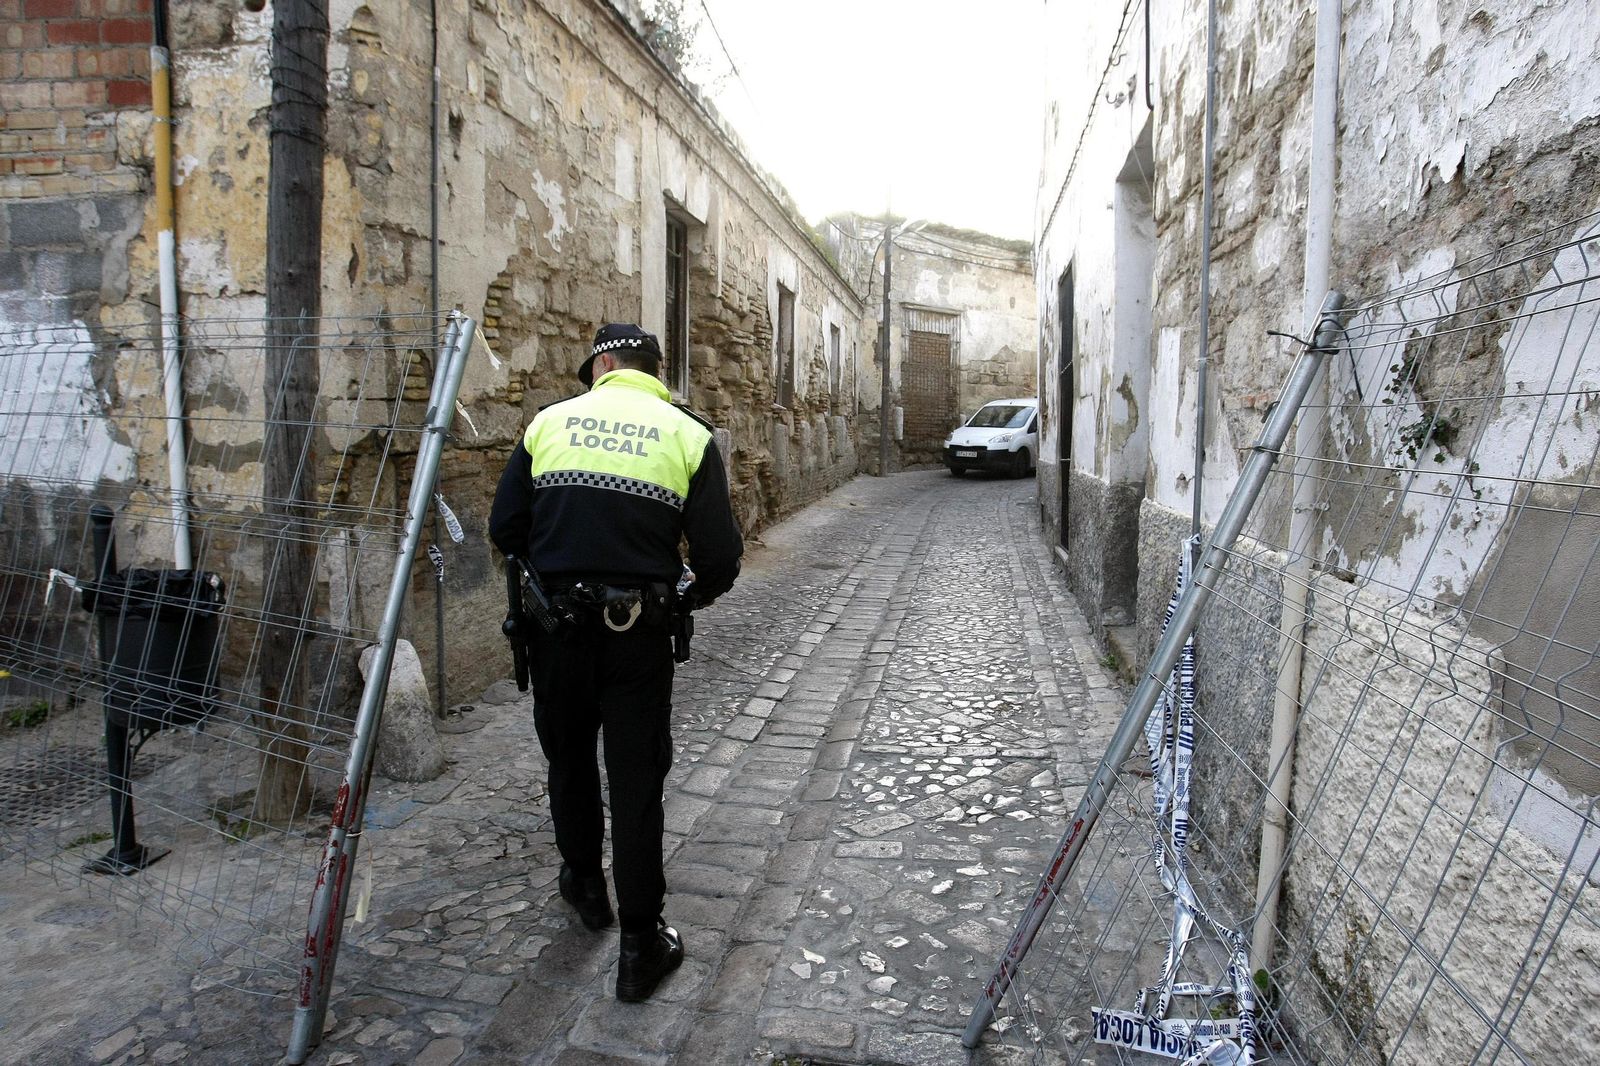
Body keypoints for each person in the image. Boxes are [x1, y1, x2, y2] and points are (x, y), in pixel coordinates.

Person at [489, 323, 742, 1002]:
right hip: (637, 634)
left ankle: (585, 889)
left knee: (568, 760)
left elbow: (506, 530)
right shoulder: (687, 433)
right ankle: (639, 944)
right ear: (654, 371)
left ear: (601, 364)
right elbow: (719, 557)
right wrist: (685, 595)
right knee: (636, 778)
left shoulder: (548, 424)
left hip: (556, 633)